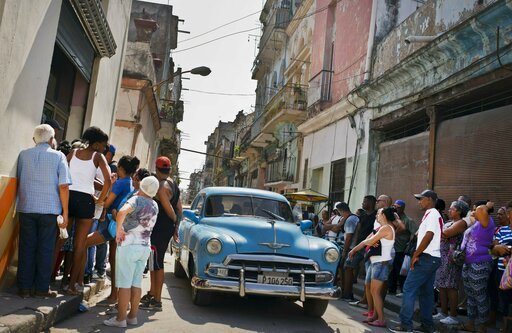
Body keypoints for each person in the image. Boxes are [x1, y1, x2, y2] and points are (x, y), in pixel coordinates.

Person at [16, 124, 72, 298]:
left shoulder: (23, 155)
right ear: (51, 139)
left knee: (26, 247)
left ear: (34, 140)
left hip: (26, 208)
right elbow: (63, 186)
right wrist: (65, 213)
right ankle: (41, 288)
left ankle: (24, 288)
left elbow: (18, 180)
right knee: (46, 249)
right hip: (49, 211)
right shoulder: (59, 156)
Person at [103, 176, 160, 328]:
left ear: (141, 187)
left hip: (129, 246)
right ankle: (132, 317)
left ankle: (120, 319)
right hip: (144, 247)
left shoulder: (136, 200)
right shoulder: (155, 204)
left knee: (124, 285)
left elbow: (121, 212)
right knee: (136, 283)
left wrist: (119, 230)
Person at [66, 127, 111, 295]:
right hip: (86, 200)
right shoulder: (97, 157)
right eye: (104, 144)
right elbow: (108, 180)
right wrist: (101, 200)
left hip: (69, 196)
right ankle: (72, 285)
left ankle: (47, 282)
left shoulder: (73, 152)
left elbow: (62, 171)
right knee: (80, 244)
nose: (105, 148)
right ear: (97, 143)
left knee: (59, 240)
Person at [390, 189, 442, 333]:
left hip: (426, 258)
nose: (419, 202)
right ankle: (427, 326)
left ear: (430, 200)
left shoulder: (432, 214)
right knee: (426, 293)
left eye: (421, 199)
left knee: (408, 289)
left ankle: (405, 325)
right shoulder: (431, 214)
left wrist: (415, 255)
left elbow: (429, 235)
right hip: (431, 259)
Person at [140, 156, 182, 311]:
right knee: (153, 262)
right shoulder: (173, 184)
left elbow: (171, 211)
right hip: (165, 229)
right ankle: (152, 293)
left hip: (160, 229)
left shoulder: (161, 187)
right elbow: (179, 208)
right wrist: (176, 227)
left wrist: (173, 221)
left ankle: (157, 300)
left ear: (157, 170)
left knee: (157, 264)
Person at [349, 207, 396, 328]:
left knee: (375, 292)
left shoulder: (386, 228)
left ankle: (381, 319)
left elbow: (369, 242)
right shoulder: (381, 228)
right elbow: (368, 241)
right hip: (376, 262)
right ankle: (375, 316)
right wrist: (355, 249)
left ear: (384, 215)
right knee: (372, 290)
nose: (377, 216)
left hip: (381, 263)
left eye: (379, 214)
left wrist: (371, 241)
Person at [457, 204, 495, 333]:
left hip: (480, 262)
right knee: (471, 295)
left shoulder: (488, 222)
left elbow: (481, 210)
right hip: (468, 263)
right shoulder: (477, 224)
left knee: (480, 295)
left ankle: (482, 326)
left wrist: (487, 205)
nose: (473, 211)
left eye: (476, 209)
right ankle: (471, 323)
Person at [434, 200, 469, 325]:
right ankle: (443, 312)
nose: (449, 211)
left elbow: (444, 233)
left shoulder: (461, 223)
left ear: (459, 211)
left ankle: (453, 315)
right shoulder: (449, 222)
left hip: (451, 258)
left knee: (451, 286)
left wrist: (439, 233)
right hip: (442, 257)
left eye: (452, 209)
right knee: (442, 286)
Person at [349, 195, 377, 309]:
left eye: (365, 201)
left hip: (369, 247)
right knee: (349, 266)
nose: (362, 203)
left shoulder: (376, 216)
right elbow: (358, 230)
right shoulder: (362, 215)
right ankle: (349, 293)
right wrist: (354, 245)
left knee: (368, 277)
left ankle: (365, 300)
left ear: (370, 203)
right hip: (360, 245)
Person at [388, 200, 417, 297]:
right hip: (391, 248)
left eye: (398, 207)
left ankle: (403, 290)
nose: (395, 208)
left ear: (403, 208)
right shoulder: (391, 218)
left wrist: (409, 245)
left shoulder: (408, 220)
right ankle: (391, 289)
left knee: (401, 270)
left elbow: (415, 233)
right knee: (392, 270)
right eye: (394, 206)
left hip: (401, 249)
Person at [492, 202, 512, 322]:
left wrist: (507, 249)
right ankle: (505, 325)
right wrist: (496, 249)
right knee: (504, 300)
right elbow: (493, 249)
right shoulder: (502, 230)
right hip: (502, 271)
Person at [337, 202, 359, 301]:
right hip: (351, 248)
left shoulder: (350, 219)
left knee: (346, 270)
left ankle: (347, 293)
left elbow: (349, 237)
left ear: (341, 210)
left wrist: (345, 251)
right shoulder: (352, 218)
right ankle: (345, 292)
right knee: (343, 269)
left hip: (350, 248)